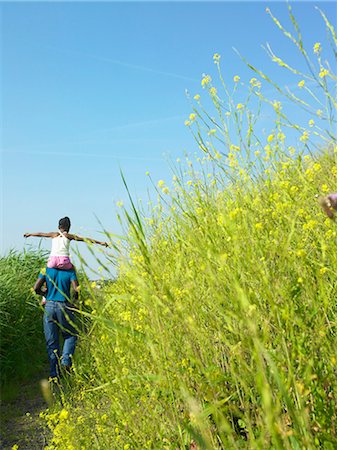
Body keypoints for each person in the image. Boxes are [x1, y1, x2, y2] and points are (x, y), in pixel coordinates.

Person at [33, 266, 79, 379]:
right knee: (70, 335)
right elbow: (76, 289)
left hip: (49, 306)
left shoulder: (46, 269)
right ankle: (66, 361)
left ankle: (54, 374)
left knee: (51, 341)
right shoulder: (70, 270)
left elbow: (36, 288)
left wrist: (45, 293)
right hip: (64, 306)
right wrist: (73, 301)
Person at [24, 216, 108, 270]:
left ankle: (45, 289)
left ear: (58, 227)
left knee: (46, 272)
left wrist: (30, 234)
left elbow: (41, 234)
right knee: (73, 270)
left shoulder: (54, 234)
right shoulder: (68, 236)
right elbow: (85, 239)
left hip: (52, 261)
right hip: (64, 261)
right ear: (69, 227)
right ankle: (76, 293)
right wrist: (100, 242)